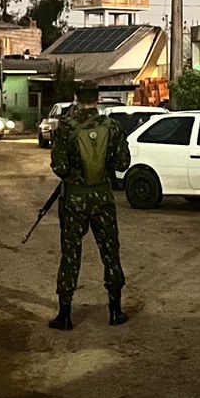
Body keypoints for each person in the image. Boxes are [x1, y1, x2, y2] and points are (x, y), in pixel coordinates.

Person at [48, 81, 131, 329]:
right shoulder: (112, 127)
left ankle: (65, 315)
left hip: (74, 199)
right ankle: (115, 311)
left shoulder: (65, 128)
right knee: (110, 252)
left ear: (76, 97)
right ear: (98, 98)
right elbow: (122, 163)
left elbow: (60, 168)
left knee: (70, 255)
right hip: (102, 197)